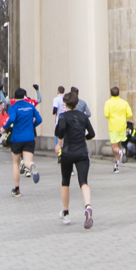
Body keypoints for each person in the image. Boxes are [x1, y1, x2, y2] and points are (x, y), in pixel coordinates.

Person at [54, 90, 95, 228]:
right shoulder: (83, 117)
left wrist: (59, 143)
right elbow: (92, 133)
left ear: (65, 104)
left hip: (67, 152)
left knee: (65, 182)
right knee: (83, 182)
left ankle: (66, 213)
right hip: (82, 153)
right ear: (77, 103)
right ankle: (88, 207)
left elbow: (60, 131)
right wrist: (85, 138)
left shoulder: (63, 117)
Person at [3, 89, 42, 194]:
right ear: (24, 96)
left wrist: (4, 127)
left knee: (15, 163)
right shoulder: (30, 106)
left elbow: (12, 119)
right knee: (27, 161)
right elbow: (39, 119)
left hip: (17, 138)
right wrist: (31, 126)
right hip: (29, 137)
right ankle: (31, 166)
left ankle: (17, 189)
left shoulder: (13, 107)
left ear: (14, 97)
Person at [103, 86, 133, 171]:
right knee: (118, 146)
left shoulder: (108, 102)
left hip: (113, 126)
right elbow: (129, 114)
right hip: (122, 126)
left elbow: (106, 114)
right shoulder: (124, 102)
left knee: (114, 148)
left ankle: (121, 152)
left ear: (110, 93)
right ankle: (116, 166)